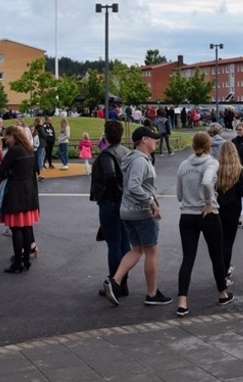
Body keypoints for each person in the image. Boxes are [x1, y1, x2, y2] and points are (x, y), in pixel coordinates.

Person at [102, 126, 172, 307]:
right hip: (141, 212)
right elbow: (134, 186)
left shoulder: (131, 158)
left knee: (137, 249)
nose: (155, 141)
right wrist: (151, 202)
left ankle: (115, 281)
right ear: (144, 140)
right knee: (151, 251)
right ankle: (152, 293)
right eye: (153, 138)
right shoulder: (140, 161)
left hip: (127, 211)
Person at [175, 132, 234, 316]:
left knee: (188, 259)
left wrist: (190, 198)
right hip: (207, 214)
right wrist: (208, 202)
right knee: (216, 256)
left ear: (193, 145)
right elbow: (208, 181)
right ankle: (222, 293)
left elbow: (179, 194)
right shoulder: (211, 162)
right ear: (209, 146)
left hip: (187, 214)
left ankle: (182, 301)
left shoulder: (184, 165)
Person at [90, 121, 130, 297]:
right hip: (126, 201)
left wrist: (113, 195)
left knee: (114, 244)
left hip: (111, 202)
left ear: (106, 135)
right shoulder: (126, 152)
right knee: (124, 243)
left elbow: (110, 176)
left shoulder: (106, 155)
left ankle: (116, 283)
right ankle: (123, 282)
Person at [0, 126, 41, 273]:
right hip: (29, 189)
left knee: (16, 228)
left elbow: (1, 170)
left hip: (16, 190)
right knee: (27, 226)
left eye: (7, 137)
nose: (6, 140)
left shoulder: (14, 151)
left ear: (13, 136)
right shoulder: (28, 148)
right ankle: (26, 259)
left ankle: (18, 262)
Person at [216, 141, 243, 287]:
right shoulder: (239, 169)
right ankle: (224, 272)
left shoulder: (216, 168)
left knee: (218, 243)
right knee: (228, 243)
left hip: (218, 208)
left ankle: (220, 271)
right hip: (233, 209)